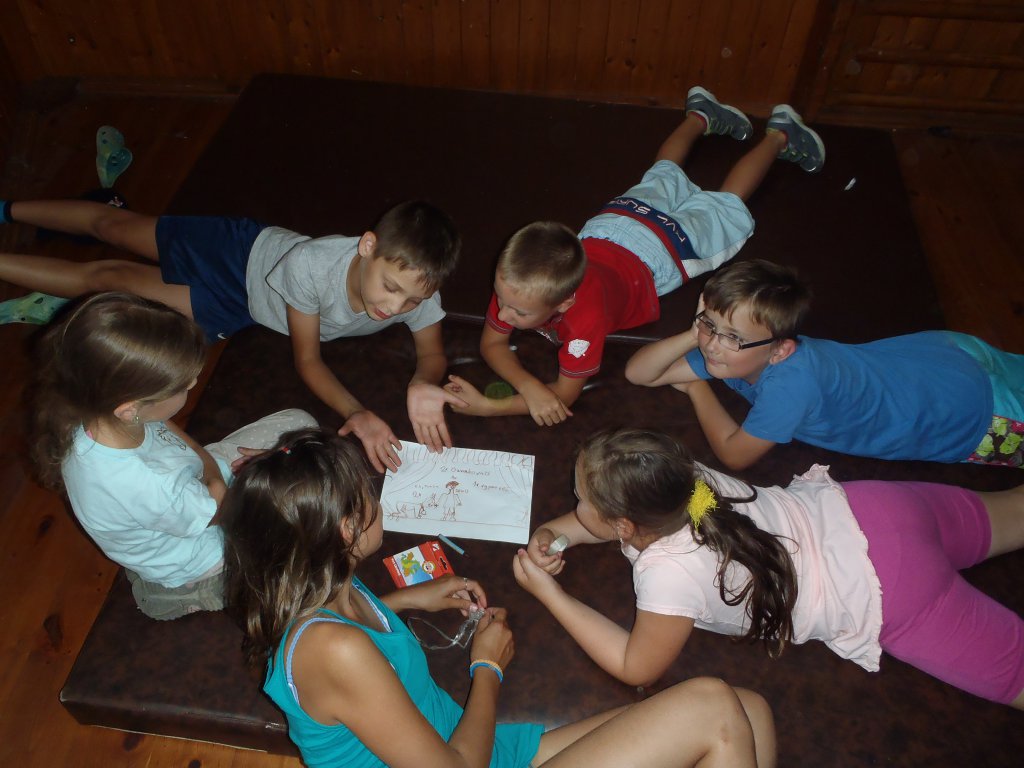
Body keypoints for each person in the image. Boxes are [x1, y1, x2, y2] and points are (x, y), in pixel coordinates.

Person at [220, 428, 778, 768]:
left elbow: (358, 645)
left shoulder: (326, 583)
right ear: (346, 530)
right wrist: (487, 667)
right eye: (367, 492)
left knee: (748, 709)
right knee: (711, 704)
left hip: (483, 750)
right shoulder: (333, 650)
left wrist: (408, 600)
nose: (377, 493)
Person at [514, 426, 1024, 709]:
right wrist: (554, 536)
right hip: (877, 510)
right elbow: (603, 522)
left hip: (888, 589)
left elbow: (637, 667)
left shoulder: (669, 572)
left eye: (580, 498)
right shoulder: (684, 482)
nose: (573, 504)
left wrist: (551, 594)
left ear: (625, 525)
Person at [444, 87, 825, 426]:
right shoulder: (519, 283)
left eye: (517, 312)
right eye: (503, 300)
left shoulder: (583, 319)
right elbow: (492, 344)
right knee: (664, 172)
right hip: (614, 226)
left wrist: (489, 407)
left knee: (726, 202)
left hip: (662, 252)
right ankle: (700, 115)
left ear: (565, 302)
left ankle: (779, 135)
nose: (504, 312)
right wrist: (530, 387)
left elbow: (564, 395)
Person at [0, 197, 465, 472]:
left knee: (108, 280)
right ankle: (9, 208)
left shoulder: (419, 290)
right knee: (115, 227)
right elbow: (307, 360)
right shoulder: (313, 266)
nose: (394, 307)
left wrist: (423, 382)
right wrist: (357, 413)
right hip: (238, 253)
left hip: (240, 307)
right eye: (390, 287)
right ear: (367, 246)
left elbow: (431, 353)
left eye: (411, 300)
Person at [30, 291, 317, 620]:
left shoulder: (97, 411)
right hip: (205, 546)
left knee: (300, 425)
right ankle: (182, 592)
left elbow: (174, 434)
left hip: (197, 486)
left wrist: (213, 463)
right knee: (303, 528)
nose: (194, 382)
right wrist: (260, 473)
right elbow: (222, 511)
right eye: (181, 386)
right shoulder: (148, 484)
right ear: (131, 409)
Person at [625, 259, 1024, 469]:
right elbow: (638, 374)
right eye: (709, 325)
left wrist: (697, 389)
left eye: (732, 336)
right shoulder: (737, 350)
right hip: (944, 353)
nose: (713, 345)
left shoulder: (790, 386)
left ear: (780, 351)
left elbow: (735, 455)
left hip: (973, 413)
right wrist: (693, 331)